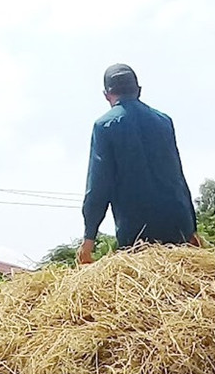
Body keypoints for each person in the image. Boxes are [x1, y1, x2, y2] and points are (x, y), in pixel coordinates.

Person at [78, 63, 201, 264]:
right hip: (177, 225)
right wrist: (191, 228)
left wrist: (89, 238)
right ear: (139, 91)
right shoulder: (164, 121)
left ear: (107, 95)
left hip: (137, 232)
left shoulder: (104, 126)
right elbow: (177, 175)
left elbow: (98, 187)